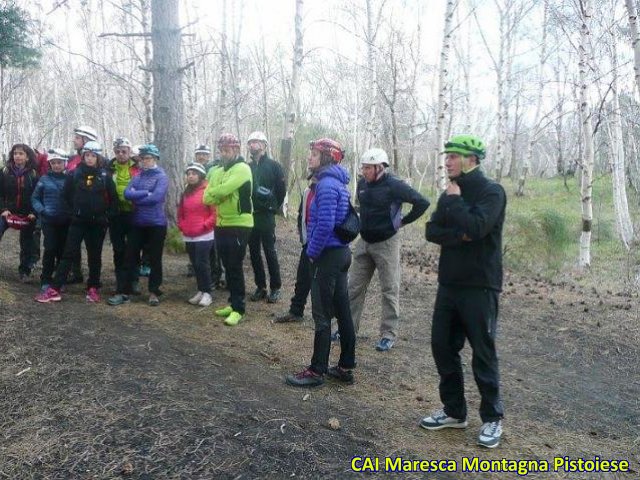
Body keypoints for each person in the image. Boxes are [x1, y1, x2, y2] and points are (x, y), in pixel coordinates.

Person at [420, 135, 506, 449]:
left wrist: (457, 209)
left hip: (480, 285)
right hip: (449, 283)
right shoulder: (450, 193)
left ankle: (493, 419)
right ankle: (455, 412)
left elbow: (479, 227)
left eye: (453, 156)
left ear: (471, 159)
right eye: (447, 157)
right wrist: (462, 233)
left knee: (483, 353)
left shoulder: (491, 192)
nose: (447, 162)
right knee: (442, 345)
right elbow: (432, 231)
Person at [285, 138, 355, 387]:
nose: (309, 157)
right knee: (343, 311)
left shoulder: (325, 185)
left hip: (328, 256)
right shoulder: (335, 183)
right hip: (340, 254)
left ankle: (316, 371)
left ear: (326, 158)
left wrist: (312, 253)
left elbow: (325, 224)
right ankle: (346, 366)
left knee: (322, 314)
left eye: (314, 153)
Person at [346, 148, 430, 351]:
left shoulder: (395, 185)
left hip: (387, 243)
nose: (364, 171)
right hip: (364, 242)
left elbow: (422, 202)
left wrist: (402, 221)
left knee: (390, 289)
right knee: (353, 287)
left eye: (367, 168)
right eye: (363, 167)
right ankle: (347, 328)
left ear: (380, 167)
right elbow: (361, 208)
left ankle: (388, 334)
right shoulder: (363, 185)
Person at [36, 141, 117, 303]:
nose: (90, 159)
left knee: (94, 256)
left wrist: (106, 217)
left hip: (97, 223)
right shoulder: (74, 174)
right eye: (87, 155)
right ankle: (55, 288)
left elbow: (113, 200)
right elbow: (66, 195)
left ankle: (93, 288)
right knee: (68, 254)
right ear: (83, 156)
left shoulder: (104, 176)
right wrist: (74, 212)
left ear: (98, 157)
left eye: (93, 156)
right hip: (78, 222)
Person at [203, 133, 253, 326]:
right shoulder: (217, 171)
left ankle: (239, 308)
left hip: (240, 224)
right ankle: (232, 303)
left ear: (236, 150)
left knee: (234, 266)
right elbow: (206, 197)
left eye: (228, 149)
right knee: (227, 265)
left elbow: (221, 191)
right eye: (222, 149)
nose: (224, 153)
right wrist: (219, 193)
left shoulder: (242, 168)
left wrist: (220, 192)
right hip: (221, 223)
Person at [122, 144, 169, 306]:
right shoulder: (138, 176)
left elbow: (155, 198)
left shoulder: (161, 176)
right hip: (137, 221)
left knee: (155, 259)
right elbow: (127, 194)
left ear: (155, 159)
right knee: (131, 255)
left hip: (156, 223)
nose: (144, 161)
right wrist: (144, 193)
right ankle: (126, 289)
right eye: (142, 158)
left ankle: (154, 291)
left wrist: (137, 196)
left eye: (147, 158)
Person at [246, 131, 286, 303]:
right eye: (250, 142)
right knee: (254, 252)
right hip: (251, 215)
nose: (251, 145)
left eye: (255, 142)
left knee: (270, 251)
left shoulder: (274, 166)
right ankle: (260, 287)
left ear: (263, 145)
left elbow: (281, 190)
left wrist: (273, 206)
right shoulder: (247, 167)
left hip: (266, 216)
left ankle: (275, 288)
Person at [274, 174, 316, 323]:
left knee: (325, 284)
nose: (313, 179)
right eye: (311, 176)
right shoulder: (306, 192)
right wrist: (302, 233)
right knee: (302, 278)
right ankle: (296, 311)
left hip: (323, 246)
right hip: (308, 243)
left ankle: (329, 317)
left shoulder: (327, 191)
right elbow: (301, 215)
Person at [106, 137, 142, 305]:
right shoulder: (108, 167)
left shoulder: (138, 168)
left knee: (133, 249)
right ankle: (121, 284)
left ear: (129, 152)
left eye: (124, 151)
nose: (121, 154)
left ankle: (133, 281)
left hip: (135, 214)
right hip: (115, 214)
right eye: (118, 151)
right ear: (115, 152)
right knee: (119, 250)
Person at [30, 149, 71, 292]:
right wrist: (42, 210)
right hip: (49, 221)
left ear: (65, 163)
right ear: (50, 164)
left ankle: (60, 280)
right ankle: (45, 280)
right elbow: (35, 198)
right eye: (53, 163)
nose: (56, 165)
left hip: (66, 221)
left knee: (62, 251)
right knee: (50, 249)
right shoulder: (44, 179)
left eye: (59, 162)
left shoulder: (69, 179)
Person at [178, 163, 216, 307]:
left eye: (194, 173)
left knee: (202, 263)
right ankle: (200, 290)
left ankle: (207, 293)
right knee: (195, 264)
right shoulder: (185, 192)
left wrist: (205, 225)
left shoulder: (208, 190)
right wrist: (182, 225)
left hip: (204, 235)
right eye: (188, 174)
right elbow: (181, 212)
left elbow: (215, 213)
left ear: (200, 175)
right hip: (189, 234)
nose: (191, 176)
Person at [0, 144, 39, 282]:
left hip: (28, 213)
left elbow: (38, 195)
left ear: (27, 157)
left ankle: (25, 271)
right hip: (7, 212)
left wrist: (34, 212)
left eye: (21, 153)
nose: (18, 156)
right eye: (15, 153)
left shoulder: (34, 174)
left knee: (28, 242)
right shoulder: (4, 171)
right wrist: (3, 209)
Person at [66, 125, 99, 284]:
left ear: (86, 140)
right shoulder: (72, 160)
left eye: (78, 138)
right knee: (72, 245)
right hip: (74, 210)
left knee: (92, 247)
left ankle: (93, 281)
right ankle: (75, 272)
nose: (74, 140)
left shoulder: (99, 161)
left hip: (93, 213)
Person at [193, 144, 225, 290]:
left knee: (215, 247)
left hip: (212, 210)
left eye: (204, 154)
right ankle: (206, 273)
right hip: (198, 213)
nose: (201, 157)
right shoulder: (191, 170)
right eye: (199, 154)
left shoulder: (214, 168)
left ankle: (218, 275)